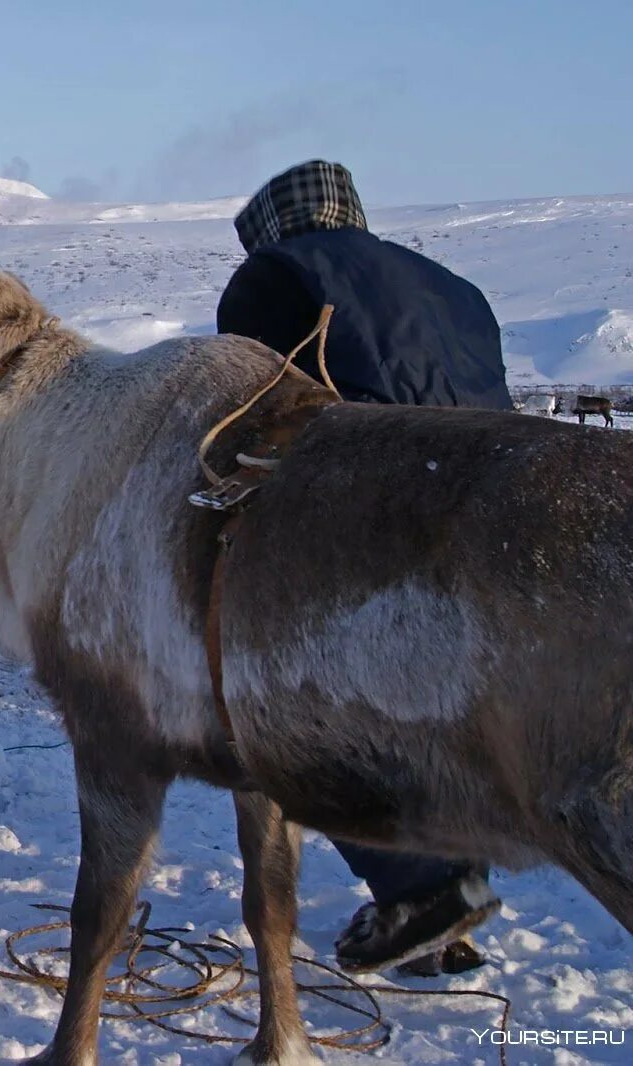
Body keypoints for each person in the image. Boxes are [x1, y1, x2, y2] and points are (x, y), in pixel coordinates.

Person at [217, 159, 510, 976]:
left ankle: (421, 886)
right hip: (487, 523)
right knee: (429, 716)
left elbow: (251, 412)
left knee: (292, 707)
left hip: (366, 525)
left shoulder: (273, 280)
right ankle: (444, 890)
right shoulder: (450, 284)